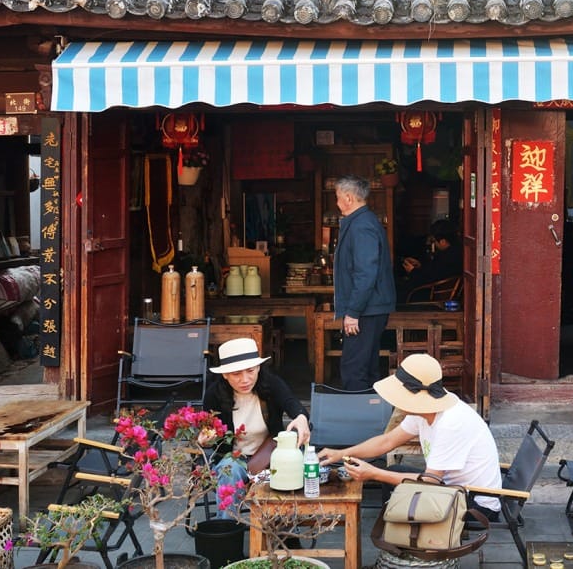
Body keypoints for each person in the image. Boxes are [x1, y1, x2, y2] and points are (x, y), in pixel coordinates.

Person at [316, 353, 502, 521]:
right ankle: (393, 533)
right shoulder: (425, 408)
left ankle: (401, 539)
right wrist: (341, 454)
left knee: (390, 479)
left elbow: (431, 481)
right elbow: (387, 441)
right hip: (451, 489)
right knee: (394, 473)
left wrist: (374, 473)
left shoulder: (450, 422)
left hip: (476, 505)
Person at [203, 337, 311, 512]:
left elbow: (291, 403)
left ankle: (283, 526)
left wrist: (301, 417)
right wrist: (205, 439)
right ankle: (227, 527)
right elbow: (209, 433)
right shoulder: (213, 395)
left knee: (290, 467)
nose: (245, 379)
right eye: (236, 374)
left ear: (258, 368)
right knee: (228, 471)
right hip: (234, 457)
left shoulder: (271, 384)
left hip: (271, 455)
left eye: (250, 371)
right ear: (225, 374)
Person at [333, 173, 396, 391]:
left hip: (367, 309)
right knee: (366, 366)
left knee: (354, 368)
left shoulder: (361, 226)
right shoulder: (362, 221)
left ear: (348, 198)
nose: (337, 202)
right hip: (370, 307)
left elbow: (366, 272)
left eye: (338, 197)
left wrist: (353, 312)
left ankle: (357, 410)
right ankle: (369, 408)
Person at [401, 219, 463, 294]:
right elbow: (433, 271)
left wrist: (412, 271)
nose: (433, 244)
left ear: (443, 242)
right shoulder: (457, 251)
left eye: (434, 241)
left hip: (432, 294)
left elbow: (427, 279)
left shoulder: (446, 257)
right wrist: (420, 265)